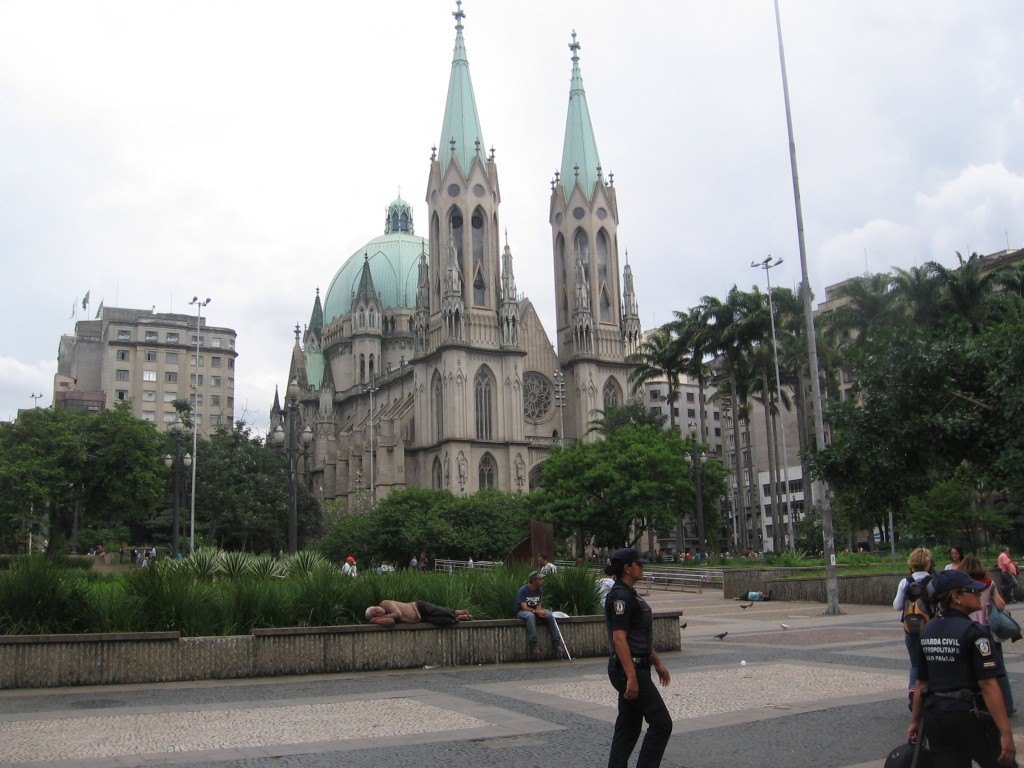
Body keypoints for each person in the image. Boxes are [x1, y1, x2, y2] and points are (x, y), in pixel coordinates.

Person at [908, 569, 1016, 768]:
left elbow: (921, 682)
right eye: (972, 591)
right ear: (956, 597)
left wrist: (915, 720)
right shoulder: (975, 632)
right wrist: (1006, 733)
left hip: (936, 716)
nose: (978, 594)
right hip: (969, 716)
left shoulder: (928, 630)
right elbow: (988, 684)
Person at [604, 547, 672, 768]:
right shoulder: (621, 596)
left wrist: (658, 662)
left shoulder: (629, 593)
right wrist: (631, 676)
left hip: (634, 666)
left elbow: (638, 636)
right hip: (628, 669)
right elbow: (620, 639)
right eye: (638, 564)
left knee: (628, 727)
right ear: (627, 568)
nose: (642, 567)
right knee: (661, 723)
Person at [963, 554, 1016, 715]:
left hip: (968, 629)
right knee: (999, 669)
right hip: (989, 632)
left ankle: (978, 705)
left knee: (971, 668)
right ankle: (1007, 705)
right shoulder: (989, 583)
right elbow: (1000, 605)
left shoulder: (962, 586)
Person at [893, 546, 934, 708]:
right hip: (930, 627)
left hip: (910, 627)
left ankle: (913, 692)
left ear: (911, 563)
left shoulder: (905, 582)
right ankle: (931, 691)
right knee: (931, 661)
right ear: (928, 563)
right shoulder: (933, 581)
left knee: (916, 663)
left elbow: (897, 606)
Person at [515, 571, 564, 659]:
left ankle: (557, 643)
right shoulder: (523, 590)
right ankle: (533, 645)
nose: (542, 581)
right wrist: (536, 612)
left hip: (534, 611)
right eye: (540, 579)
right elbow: (524, 607)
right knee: (530, 616)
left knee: (549, 615)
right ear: (534, 580)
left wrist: (540, 613)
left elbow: (538, 605)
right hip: (522, 611)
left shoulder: (539, 590)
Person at [365, 599, 472, 627]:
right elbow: (390, 623)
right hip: (420, 618)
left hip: (419, 607)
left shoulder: (385, 603)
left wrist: (381, 617)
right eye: (375, 613)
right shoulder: (385, 617)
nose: (378, 610)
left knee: (442, 611)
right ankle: (460, 618)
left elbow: (398, 614)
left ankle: (458, 612)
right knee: (441, 621)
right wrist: (376, 621)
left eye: (375, 608)